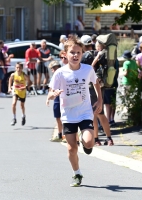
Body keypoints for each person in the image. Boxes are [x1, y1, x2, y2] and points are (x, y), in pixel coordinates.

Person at [48, 37, 103, 187]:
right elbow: (50, 91)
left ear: (82, 53)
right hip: (68, 114)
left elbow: (96, 83)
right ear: (65, 54)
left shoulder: (87, 69)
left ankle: (86, 144)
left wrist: (100, 100)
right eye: (72, 52)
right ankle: (77, 173)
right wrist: (52, 95)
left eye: (78, 52)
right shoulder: (60, 73)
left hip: (85, 112)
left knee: (89, 142)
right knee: (72, 149)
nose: (75, 55)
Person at [80, 36, 114, 146]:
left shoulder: (85, 56)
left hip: (91, 86)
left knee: (95, 114)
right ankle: (108, 138)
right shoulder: (100, 53)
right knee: (100, 113)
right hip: (101, 85)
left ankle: (97, 139)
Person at [46, 61, 63, 142]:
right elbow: (50, 88)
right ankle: (60, 134)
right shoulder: (53, 77)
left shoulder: (63, 74)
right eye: (54, 68)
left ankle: (66, 135)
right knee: (57, 118)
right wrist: (47, 99)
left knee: (65, 118)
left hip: (63, 99)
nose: (55, 69)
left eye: (57, 67)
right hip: (56, 99)